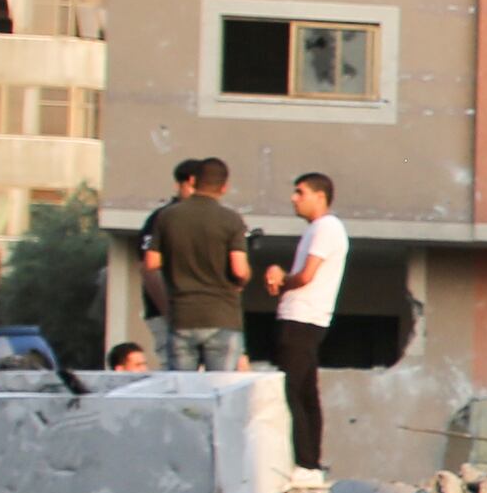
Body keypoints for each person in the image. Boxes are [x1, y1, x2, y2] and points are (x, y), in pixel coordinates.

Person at [256, 171, 348, 470]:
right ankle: (308, 462)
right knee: (305, 392)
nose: (294, 199)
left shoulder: (326, 228)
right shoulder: (320, 229)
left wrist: (282, 279)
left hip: (302, 317)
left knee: (292, 392)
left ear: (320, 196)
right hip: (305, 317)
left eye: (301, 192)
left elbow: (306, 276)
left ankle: (302, 462)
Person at [140, 159, 254, 371]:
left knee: (184, 391)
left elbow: (151, 263)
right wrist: (245, 277)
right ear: (224, 187)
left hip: (182, 315)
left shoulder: (166, 217)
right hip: (222, 316)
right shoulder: (231, 219)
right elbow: (239, 269)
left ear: (194, 181)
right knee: (220, 389)